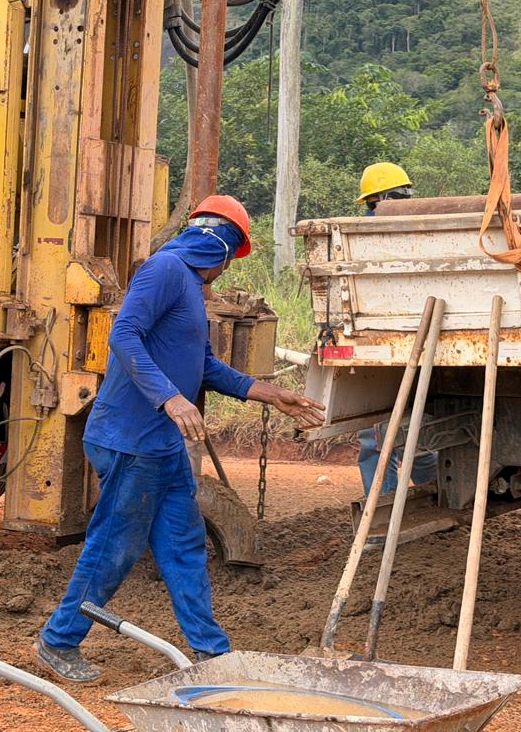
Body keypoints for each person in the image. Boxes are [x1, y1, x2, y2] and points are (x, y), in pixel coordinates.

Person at [36, 195, 327, 683]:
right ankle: (57, 641)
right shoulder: (165, 270)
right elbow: (123, 335)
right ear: (223, 249)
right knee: (114, 545)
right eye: (231, 261)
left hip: (161, 445)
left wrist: (268, 393)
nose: (226, 272)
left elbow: (204, 366)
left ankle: (211, 651)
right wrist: (170, 399)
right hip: (130, 438)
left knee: (183, 544)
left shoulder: (190, 286)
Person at [355, 163, 437, 497]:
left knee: (377, 440)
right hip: (429, 339)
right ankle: (438, 501)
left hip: (381, 342)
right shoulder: (427, 230)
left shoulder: (361, 234)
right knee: (417, 436)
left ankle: (381, 518)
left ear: (376, 199)